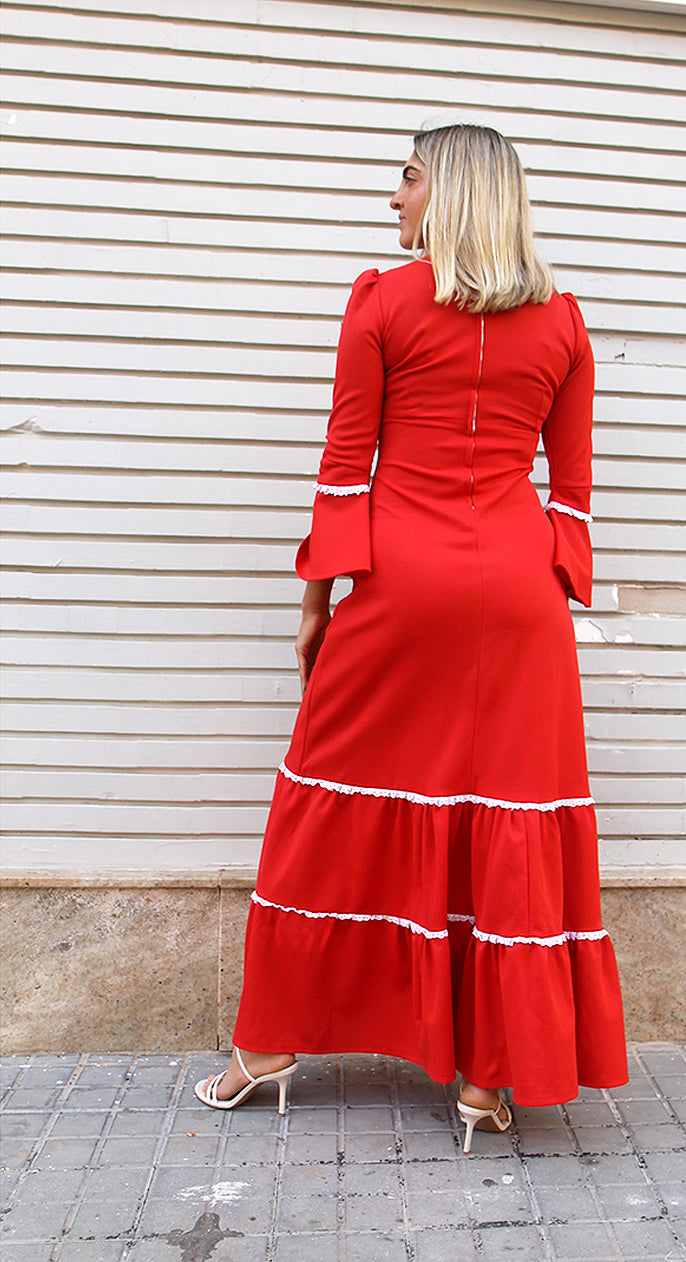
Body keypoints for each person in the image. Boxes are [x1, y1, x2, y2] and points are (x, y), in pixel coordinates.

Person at [195, 124, 628, 1149]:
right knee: (502, 810)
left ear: (451, 192)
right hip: (519, 593)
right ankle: (485, 1079)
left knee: (327, 797)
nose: (392, 196)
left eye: (406, 177)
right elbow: (570, 489)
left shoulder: (382, 302)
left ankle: (267, 1047)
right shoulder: (564, 322)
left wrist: (315, 605)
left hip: (402, 578)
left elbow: (345, 462)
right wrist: (549, 590)